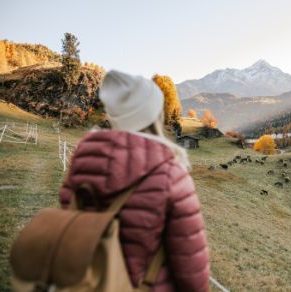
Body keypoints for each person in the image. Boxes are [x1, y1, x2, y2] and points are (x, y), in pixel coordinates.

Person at [59, 70, 210, 291]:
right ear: (153, 116)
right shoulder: (170, 173)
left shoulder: (83, 160)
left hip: (88, 283)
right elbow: (191, 265)